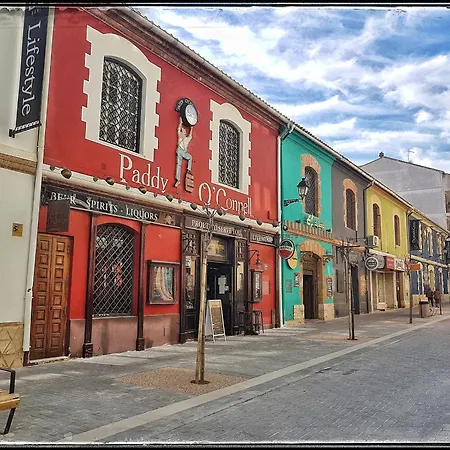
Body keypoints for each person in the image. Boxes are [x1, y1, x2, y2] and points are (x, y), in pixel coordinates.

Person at [174, 117, 193, 188]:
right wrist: (180, 122)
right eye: (182, 131)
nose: (182, 132)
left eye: (183, 132)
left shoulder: (186, 139)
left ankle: (189, 169)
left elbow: (190, 136)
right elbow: (178, 129)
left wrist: (191, 129)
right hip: (179, 150)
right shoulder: (180, 137)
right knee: (178, 165)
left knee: (190, 157)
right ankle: (178, 180)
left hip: (184, 152)